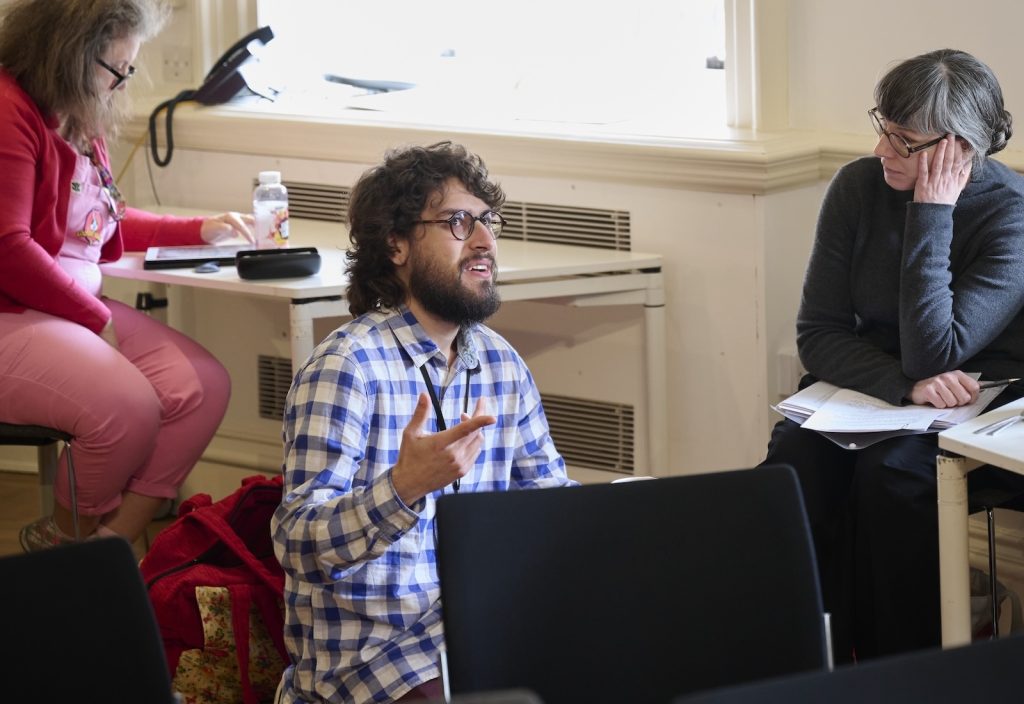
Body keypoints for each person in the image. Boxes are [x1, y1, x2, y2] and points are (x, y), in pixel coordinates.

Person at [271, 141, 575, 703]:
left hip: (475, 630)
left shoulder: (501, 363)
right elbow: (296, 544)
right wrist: (403, 487)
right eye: (460, 223)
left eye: (489, 222)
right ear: (397, 244)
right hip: (374, 660)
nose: (485, 241)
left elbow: (551, 505)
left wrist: (635, 516)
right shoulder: (347, 367)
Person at [761, 48, 1024, 662]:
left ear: (956, 149)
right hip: (878, 392)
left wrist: (930, 214)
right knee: (793, 462)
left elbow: (938, 350)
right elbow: (818, 333)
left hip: (977, 400)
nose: (881, 149)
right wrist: (900, 385)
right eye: (882, 127)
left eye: (903, 141)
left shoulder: (1011, 214)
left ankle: (899, 672)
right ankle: (797, 660)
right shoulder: (856, 187)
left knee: (893, 479)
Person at [0, 0, 254, 551]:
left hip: (63, 311)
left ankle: (108, 553)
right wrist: (93, 318)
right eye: (117, 70)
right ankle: (63, 548)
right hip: (14, 313)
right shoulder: (7, 109)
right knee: (128, 406)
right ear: (70, 55)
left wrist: (200, 228)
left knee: (202, 387)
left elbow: (99, 221)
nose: (120, 84)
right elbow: (9, 249)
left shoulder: (76, 113)